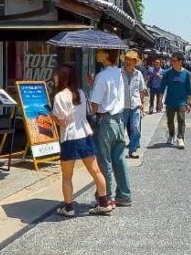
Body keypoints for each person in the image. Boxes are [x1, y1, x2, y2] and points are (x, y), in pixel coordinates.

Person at [49, 65, 114, 217]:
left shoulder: (59, 96)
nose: (54, 78)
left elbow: (62, 122)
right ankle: (104, 203)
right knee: (95, 170)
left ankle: (69, 208)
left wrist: (52, 116)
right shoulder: (81, 92)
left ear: (62, 77)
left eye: (56, 75)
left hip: (69, 137)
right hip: (84, 134)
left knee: (67, 176)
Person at [90, 48, 133, 207]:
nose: (97, 54)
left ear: (107, 55)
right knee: (119, 158)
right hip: (119, 119)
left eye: (99, 52)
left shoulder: (102, 76)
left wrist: (88, 113)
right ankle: (124, 195)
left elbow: (95, 104)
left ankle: (105, 197)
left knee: (104, 160)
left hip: (105, 120)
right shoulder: (120, 73)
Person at [162, 52, 191, 149]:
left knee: (181, 120)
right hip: (170, 101)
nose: (172, 62)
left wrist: (189, 103)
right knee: (170, 121)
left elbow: (189, 90)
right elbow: (162, 87)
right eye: (172, 60)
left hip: (182, 102)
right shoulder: (167, 73)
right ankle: (172, 135)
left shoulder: (186, 74)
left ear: (180, 61)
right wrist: (159, 101)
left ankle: (180, 138)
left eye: (174, 60)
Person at [121, 50, 149, 159]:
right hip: (122, 106)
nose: (128, 62)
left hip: (135, 105)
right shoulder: (119, 73)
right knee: (120, 130)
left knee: (136, 129)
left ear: (134, 62)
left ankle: (132, 150)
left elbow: (142, 89)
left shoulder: (138, 74)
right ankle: (118, 152)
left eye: (130, 60)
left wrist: (142, 102)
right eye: (127, 59)